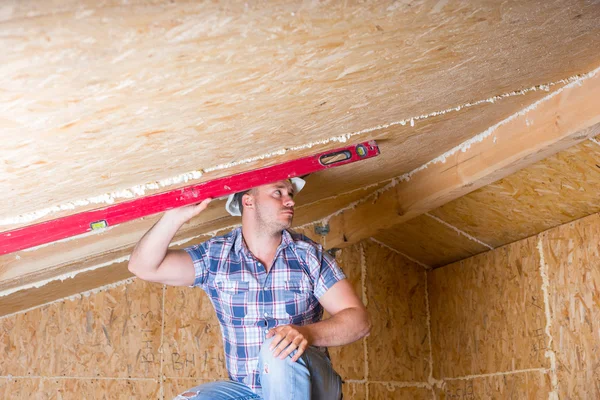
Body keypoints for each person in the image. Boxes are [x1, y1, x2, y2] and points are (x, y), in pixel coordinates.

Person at [128, 177, 371, 399]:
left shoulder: (308, 256)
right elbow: (143, 267)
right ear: (248, 201)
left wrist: (306, 334)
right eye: (278, 193)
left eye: (290, 195)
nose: (289, 201)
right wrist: (173, 217)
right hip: (248, 391)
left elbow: (359, 321)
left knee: (277, 347)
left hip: (313, 387)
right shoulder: (217, 256)